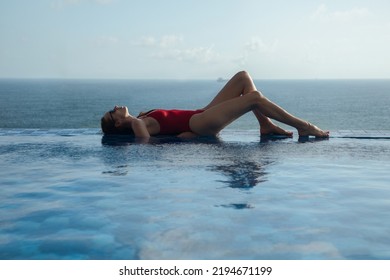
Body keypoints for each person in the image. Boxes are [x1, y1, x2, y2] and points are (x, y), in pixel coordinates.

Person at [101, 71, 329, 139]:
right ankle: (304, 126)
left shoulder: (141, 117)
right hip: (200, 123)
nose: (115, 106)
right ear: (118, 122)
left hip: (201, 114)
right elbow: (147, 145)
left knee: (243, 77)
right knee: (255, 97)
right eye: (113, 113)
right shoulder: (138, 125)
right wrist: (183, 138)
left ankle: (265, 125)